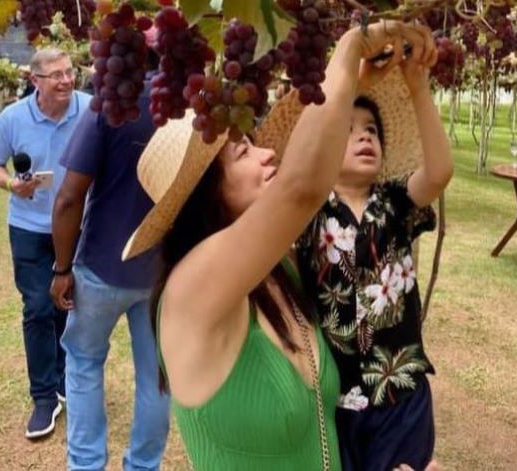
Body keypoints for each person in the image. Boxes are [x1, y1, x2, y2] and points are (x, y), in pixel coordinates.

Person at [121, 20, 435, 470]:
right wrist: (349, 48)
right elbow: (302, 187)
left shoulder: (280, 271)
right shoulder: (190, 291)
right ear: (203, 196)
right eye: (243, 153)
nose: (267, 153)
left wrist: (354, 85)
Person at [285, 51, 452, 470]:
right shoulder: (307, 215)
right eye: (348, 130)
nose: (365, 137)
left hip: (401, 395)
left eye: (372, 131)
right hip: (335, 400)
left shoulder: (396, 202)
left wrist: (418, 88)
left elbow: (439, 173)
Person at [50, 51, 170, 471]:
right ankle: (143, 465)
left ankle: (85, 466)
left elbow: (68, 198)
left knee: (83, 363)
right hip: (161, 273)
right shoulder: (191, 109)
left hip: (101, 265)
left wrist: (61, 269)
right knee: (156, 376)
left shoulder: (111, 102)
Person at [0, 48, 92, 440]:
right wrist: (13, 184)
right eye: (56, 75)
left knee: (70, 304)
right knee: (37, 308)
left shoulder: (92, 109)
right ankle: (44, 396)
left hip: (80, 225)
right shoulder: (12, 118)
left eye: (69, 73)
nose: (66, 80)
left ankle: (65, 380)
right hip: (29, 226)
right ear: (36, 81)